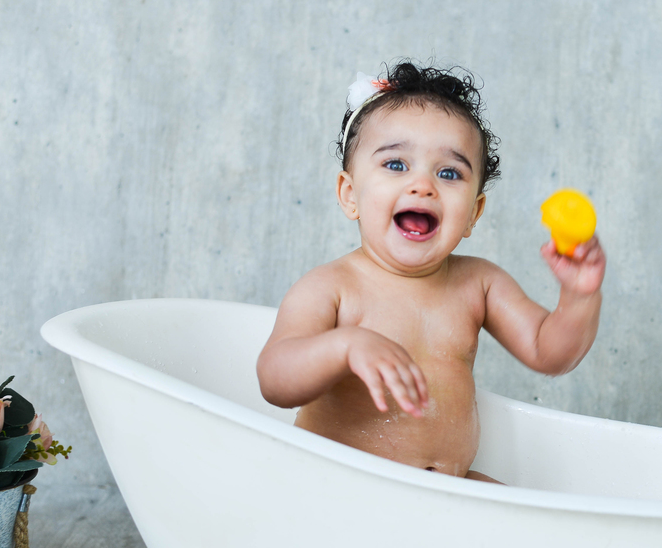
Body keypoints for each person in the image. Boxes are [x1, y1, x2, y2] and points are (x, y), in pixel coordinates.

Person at [257, 61, 606, 482]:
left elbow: (551, 353)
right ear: (350, 195)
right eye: (396, 165)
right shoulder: (333, 288)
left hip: (445, 491)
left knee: (518, 508)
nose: (423, 185)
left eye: (448, 173)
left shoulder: (479, 284)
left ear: (474, 213)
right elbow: (275, 379)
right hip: (342, 488)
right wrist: (344, 348)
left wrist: (579, 296)